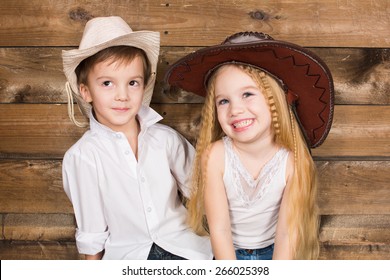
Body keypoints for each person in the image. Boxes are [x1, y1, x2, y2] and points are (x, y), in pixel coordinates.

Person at [165, 32, 334, 260]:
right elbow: (220, 230)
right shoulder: (216, 156)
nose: (235, 110)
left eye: (247, 94)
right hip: (226, 253)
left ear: (274, 100)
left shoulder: (291, 162)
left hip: (274, 253)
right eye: (224, 101)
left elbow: (286, 233)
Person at [61, 16, 212, 260]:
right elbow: (92, 232)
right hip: (130, 257)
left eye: (132, 82)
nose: (122, 95)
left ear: (144, 86)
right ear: (85, 91)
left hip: (186, 249)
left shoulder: (165, 140)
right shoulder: (82, 157)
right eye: (107, 83)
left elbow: (204, 191)